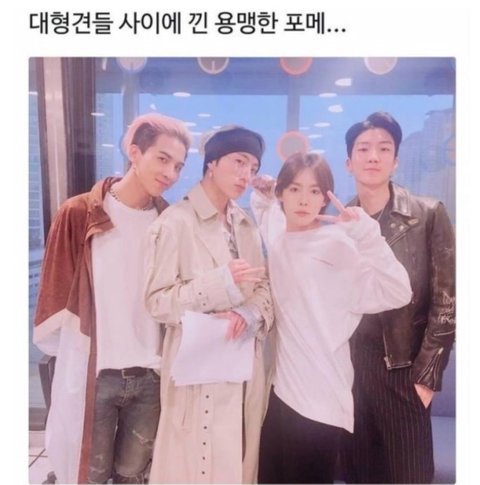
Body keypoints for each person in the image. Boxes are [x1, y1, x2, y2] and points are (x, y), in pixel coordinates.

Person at [33, 113, 192, 484]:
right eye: (163, 158)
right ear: (134, 152)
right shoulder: (80, 213)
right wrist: (68, 353)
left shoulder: (169, 221)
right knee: (87, 474)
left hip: (150, 374)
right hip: (95, 373)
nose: (170, 173)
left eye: (178, 165)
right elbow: (54, 294)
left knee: (134, 476)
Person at [250, 151, 412, 484]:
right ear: (282, 193)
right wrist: (262, 190)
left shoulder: (338, 244)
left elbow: (398, 292)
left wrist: (367, 235)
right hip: (279, 395)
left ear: (326, 197)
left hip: (322, 401)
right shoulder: (278, 236)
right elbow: (266, 212)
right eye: (294, 189)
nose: (304, 200)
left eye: (314, 191)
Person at [144, 126, 274, 484]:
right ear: (212, 163)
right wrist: (219, 284)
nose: (246, 174)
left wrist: (249, 313)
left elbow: (264, 287)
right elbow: (157, 301)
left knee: (238, 466)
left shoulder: (245, 225)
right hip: (197, 374)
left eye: (253, 167)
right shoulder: (176, 222)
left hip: (244, 367)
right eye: (238, 162)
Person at [340, 111, 456, 483]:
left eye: (383, 148)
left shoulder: (428, 214)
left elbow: (447, 301)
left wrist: (427, 377)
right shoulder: (340, 221)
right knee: (360, 474)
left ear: (396, 160)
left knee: (410, 475)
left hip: (404, 368)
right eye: (363, 149)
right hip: (351, 368)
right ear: (349, 162)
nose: (373, 156)